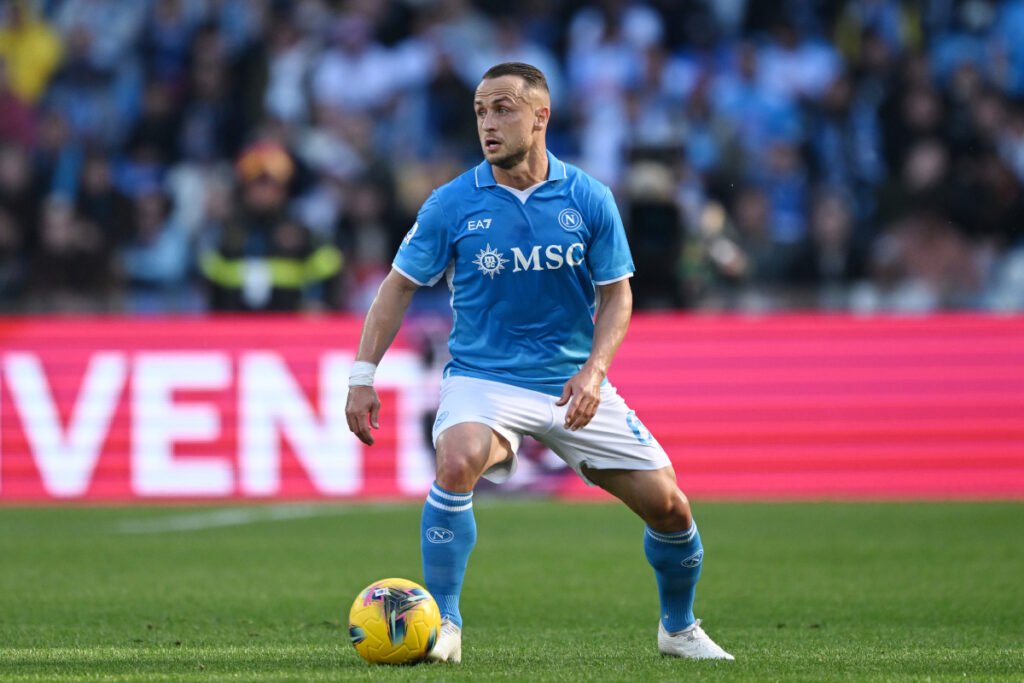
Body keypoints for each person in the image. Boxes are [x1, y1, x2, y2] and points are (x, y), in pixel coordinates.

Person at [344, 62, 733, 663]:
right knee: (457, 459)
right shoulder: (451, 204)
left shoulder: (588, 198)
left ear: (540, 115)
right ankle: (445, 624)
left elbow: (618, 295)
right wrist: (362, 376)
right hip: (483, 379)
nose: (488, 123)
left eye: (502, 109)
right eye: (480, 111)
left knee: (671, 508)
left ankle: (678, 629)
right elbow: (396, 287)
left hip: (570, 383)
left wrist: (595, 371)